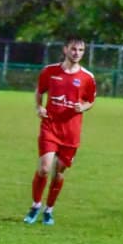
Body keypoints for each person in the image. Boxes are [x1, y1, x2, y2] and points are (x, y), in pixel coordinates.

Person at [25, 36, 97, 226]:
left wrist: (83, 107)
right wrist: (39, 107)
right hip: (50, 126)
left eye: (80, 50)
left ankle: (49, 210)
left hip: (71, 132)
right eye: (73, 49)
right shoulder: (50, 71)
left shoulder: (87, 77)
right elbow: (40, 91)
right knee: (44, 168)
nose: (77, 53)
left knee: (58, 172)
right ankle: (35, 205)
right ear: (65, 50)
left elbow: (90, 100)